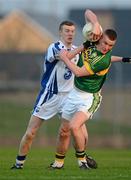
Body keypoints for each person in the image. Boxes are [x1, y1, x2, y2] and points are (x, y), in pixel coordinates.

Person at [50, 26, 131, 169]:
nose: (107, 47)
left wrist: (63, 58)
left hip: (89, 97)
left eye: (111, 45)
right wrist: (123, 59)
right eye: (105, 43)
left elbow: (79, 72)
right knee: (63, 131)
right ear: (100, 39)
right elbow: (88, 12)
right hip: (74, 93)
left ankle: (82, 161)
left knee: (74, 126)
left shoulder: (103, 61)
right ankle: (58, 164)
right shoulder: (91, 44)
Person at [11, 20, 97, 169]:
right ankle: (19, 164)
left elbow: (91, 62)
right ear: (60, 32)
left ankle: (70, 161)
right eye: (66, 31)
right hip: (50, 95)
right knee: (31, 132)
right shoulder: (54, 47)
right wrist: (85, 45)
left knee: (70, 130)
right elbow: (66, 56)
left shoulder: (78, 49)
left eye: (72, 31)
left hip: (70, 96)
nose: (70, 33)